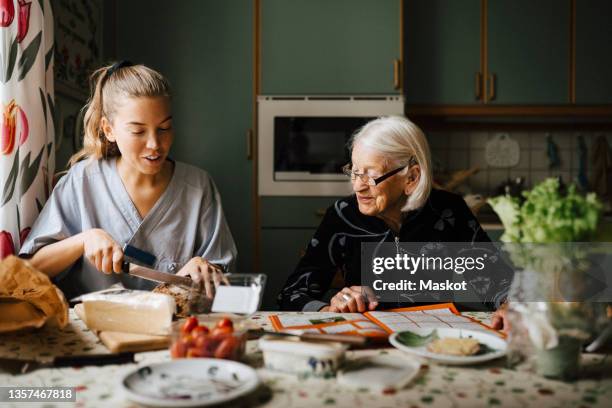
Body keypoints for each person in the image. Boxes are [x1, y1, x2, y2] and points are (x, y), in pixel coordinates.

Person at [20, 61, 237, 300]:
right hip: (93, 331)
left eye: (164, 128)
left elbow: (222, 284)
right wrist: (84, 240)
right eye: (138, 131)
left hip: (173, 330)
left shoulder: (198, 186)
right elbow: (27, 272)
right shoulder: (82, 181)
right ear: (109, 129)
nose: (155, 144)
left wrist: (204, 269)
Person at [277, 116, 509, 328]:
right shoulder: (342, 215)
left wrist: (510, 305)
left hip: (432, 338)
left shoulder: (449, 211)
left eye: (371, 175)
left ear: (411, 177)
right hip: (369, 341)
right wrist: (330, 307)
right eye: (355, 171)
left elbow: (497, 280)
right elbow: (292, 293)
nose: (358, 186)